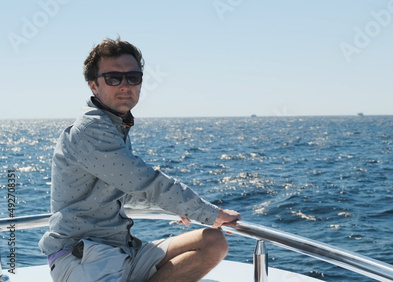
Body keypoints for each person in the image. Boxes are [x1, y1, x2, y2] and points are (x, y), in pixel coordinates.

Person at [38, 37, 241, 282]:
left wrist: (176, 207)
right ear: (93, 85)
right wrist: (208, 212)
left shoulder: (116, 125)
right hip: (85, 256)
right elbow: (143, 182)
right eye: (113, 78)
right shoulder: (90, 129)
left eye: (133, 78)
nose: (125, 85)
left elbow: (123, 192)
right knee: (211, 228)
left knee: (213, 242)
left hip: (125, 251)